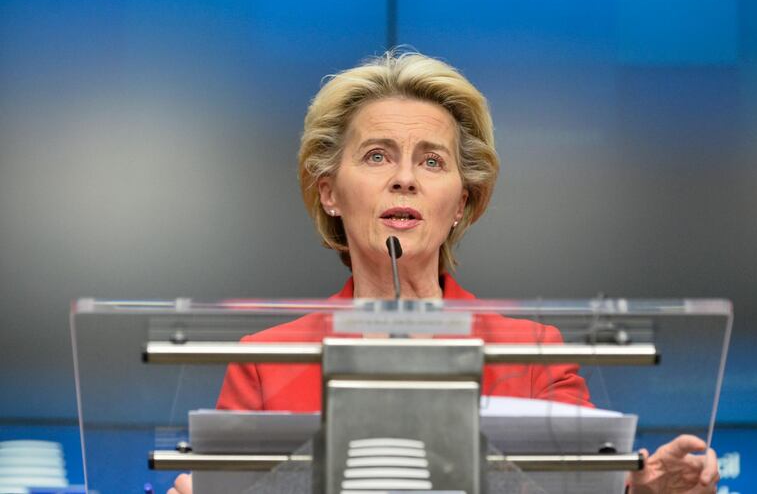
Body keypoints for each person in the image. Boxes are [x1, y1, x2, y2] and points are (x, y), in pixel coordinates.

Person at [170, 51, 719, 493]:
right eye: (378, 156)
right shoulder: (265, 362)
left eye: (432, 161)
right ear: (330, 191)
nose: (405, 179)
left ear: (461, 202)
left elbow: (588, 486)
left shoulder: (533, 354)